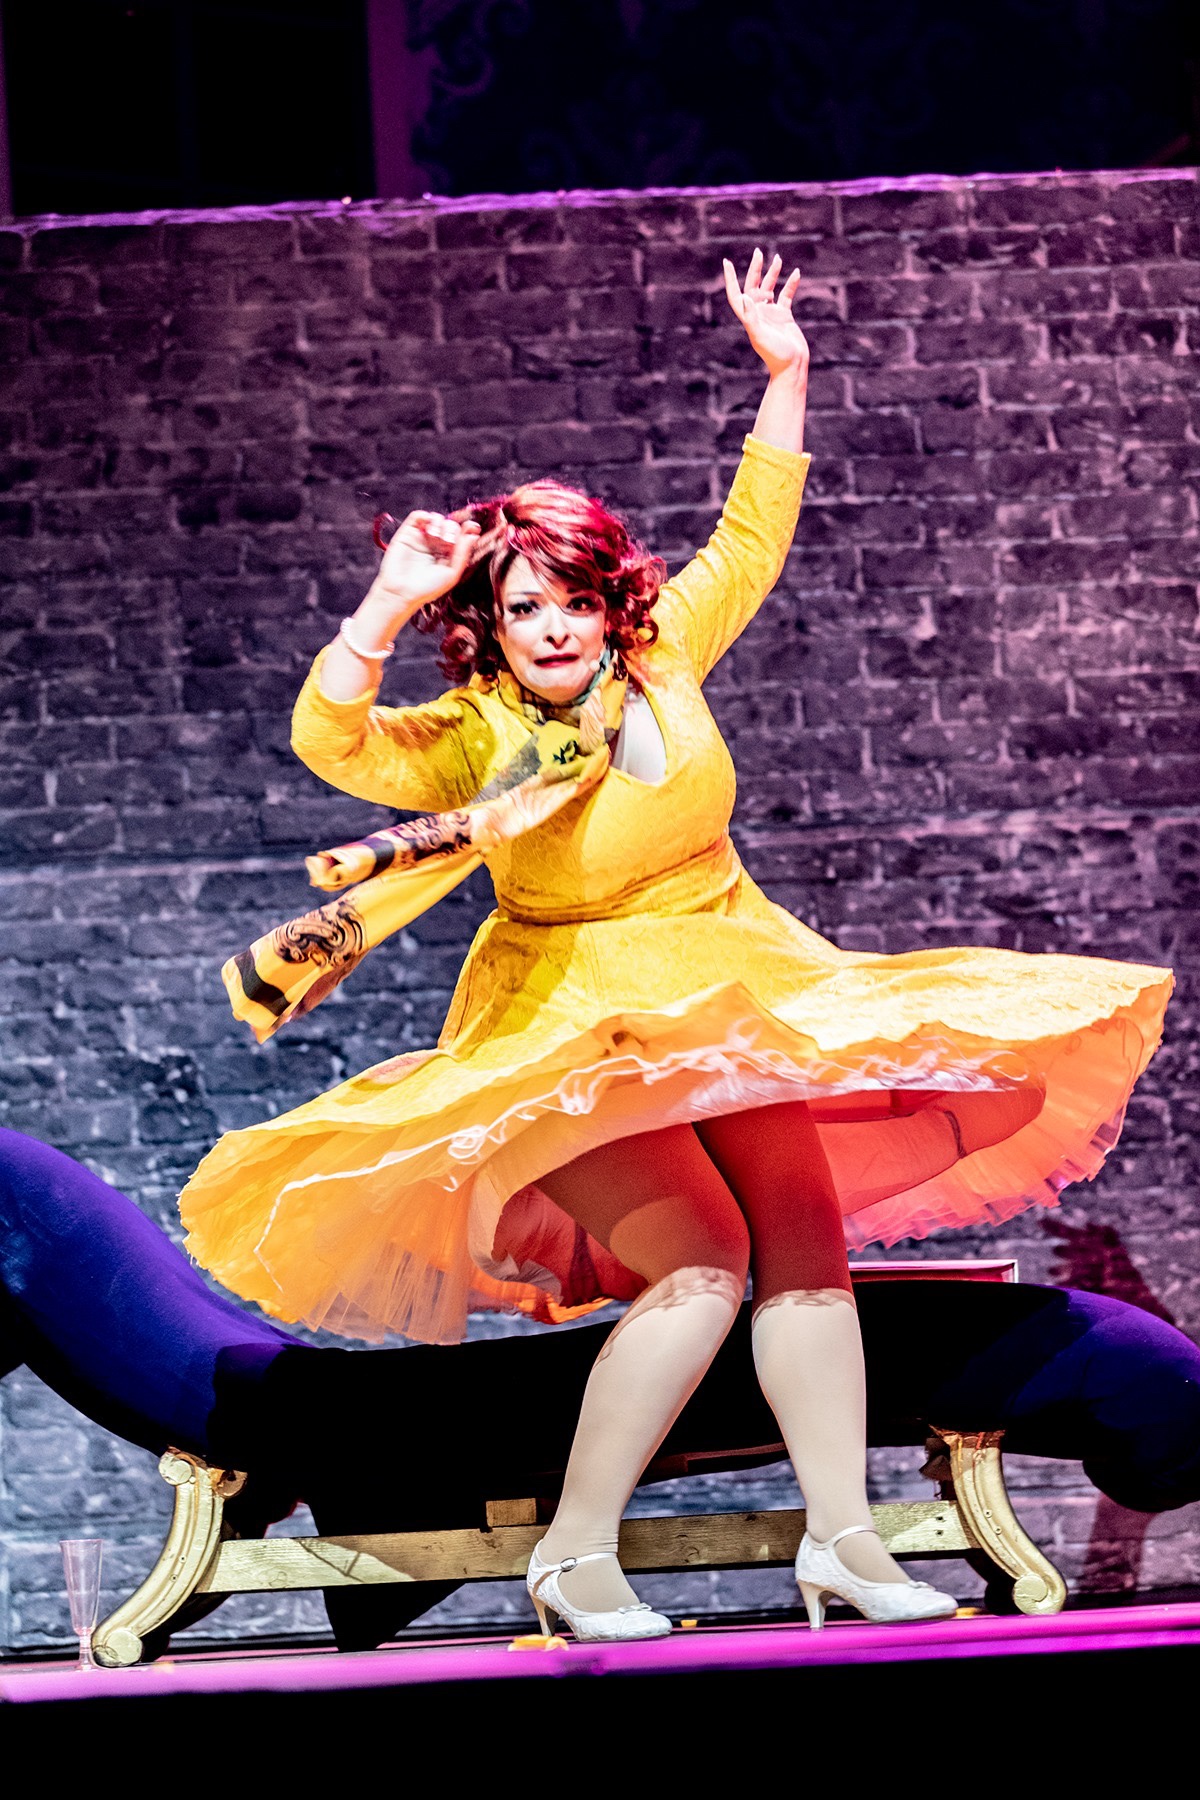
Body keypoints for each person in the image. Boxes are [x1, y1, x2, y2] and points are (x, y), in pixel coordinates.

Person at [180, 252, 1172, 1640]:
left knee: (807, 1248)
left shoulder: (666, 657)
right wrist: (390, 602)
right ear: (493, 626)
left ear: (610, 603)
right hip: (568, 1018)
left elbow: (753, 533)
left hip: (727, 977)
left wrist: (788, 376)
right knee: (701, 1262)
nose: (554, 629)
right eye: (524, 609)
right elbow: (330, 739)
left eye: (574, 601)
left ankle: (843, 1543)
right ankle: (575, 1555)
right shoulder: (475, 729)